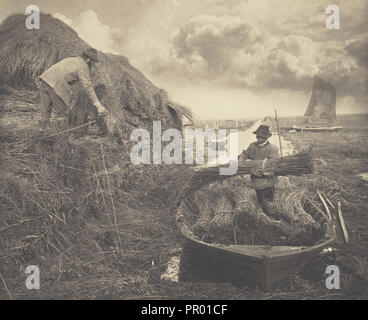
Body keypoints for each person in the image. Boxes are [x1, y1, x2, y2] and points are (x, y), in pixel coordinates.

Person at [38, 46, 108, 130]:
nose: (92, 65)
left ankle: (41, 133)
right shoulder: (83, 65)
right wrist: (98, 105)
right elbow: (87, 86)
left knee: (45, 110)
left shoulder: (71, 59)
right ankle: (60, 139)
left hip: (45, 79)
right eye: (93, 62)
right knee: (62, 112)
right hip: (56, 84)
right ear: (89, 60)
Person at [238, 125, 279, 218]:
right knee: (260, 203)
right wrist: (241, 157)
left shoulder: (272, 149)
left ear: (265, 137)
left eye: (259, 136)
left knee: (269, 205)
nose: (257, 138)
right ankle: (264, 221)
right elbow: (245, 154)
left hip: (267, 183)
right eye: (257, 136)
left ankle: (275, 221)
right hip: (256, 183)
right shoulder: (252, 146)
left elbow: (273, 168)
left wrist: (261, 173)